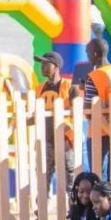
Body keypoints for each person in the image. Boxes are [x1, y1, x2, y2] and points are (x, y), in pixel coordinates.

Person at [33, 52, 76, 192]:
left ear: (56, 66)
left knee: (70, 180)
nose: (42, 66)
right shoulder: (39, 89)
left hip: (65, 142)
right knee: (42, 178)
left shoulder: (69, 87)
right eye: (41, 63)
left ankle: (73, 211)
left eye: (46, 63)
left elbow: (77, 114)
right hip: (45, 140)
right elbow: (35, 114)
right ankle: (41, 211)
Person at [79, 38, 111, 178]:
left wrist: (87, 89)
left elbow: (88, 111)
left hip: (98, 131)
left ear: (94, 54)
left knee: (98, 174)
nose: (87, 57)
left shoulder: (94, 76)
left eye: (88, 53)